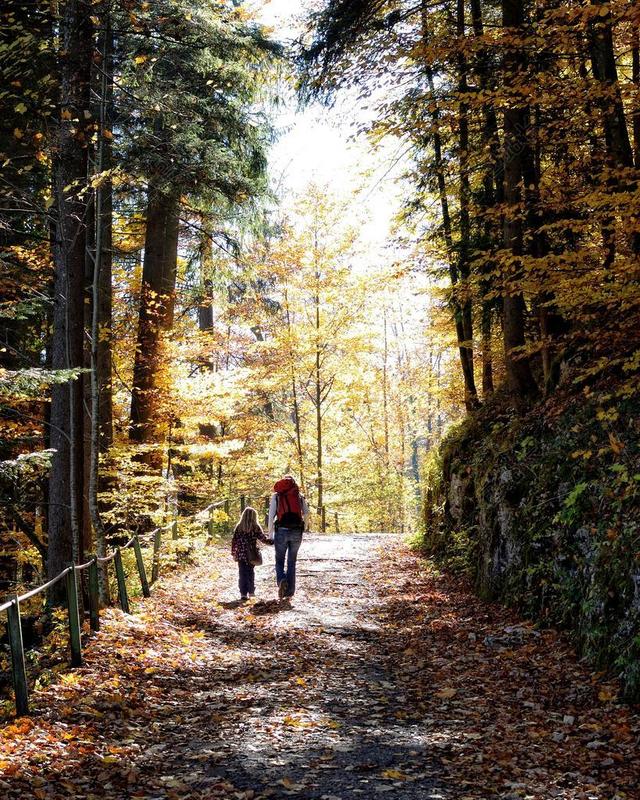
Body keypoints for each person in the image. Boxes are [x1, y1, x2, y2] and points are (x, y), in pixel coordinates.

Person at [268, 475, 309, 600]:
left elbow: (271, 516)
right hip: (297, 531)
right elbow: (306, 513)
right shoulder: (298, 496)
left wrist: (270, 535)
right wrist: (304, 528)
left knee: (279, 560)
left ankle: (281, 580)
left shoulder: (277, 496)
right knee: (292, 561)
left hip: (281, 531)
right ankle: (290, 591)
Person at [231, 506, 273, 600]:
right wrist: (272, 542)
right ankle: (251, 592)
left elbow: (234, 541)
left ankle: (243, 593)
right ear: (254, 516)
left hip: (240, 554)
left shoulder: (239, 526)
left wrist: (233, 553)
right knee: (250, 572)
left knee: (242, 573)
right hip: (251, 554)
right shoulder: (255, 526)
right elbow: (263, 539)